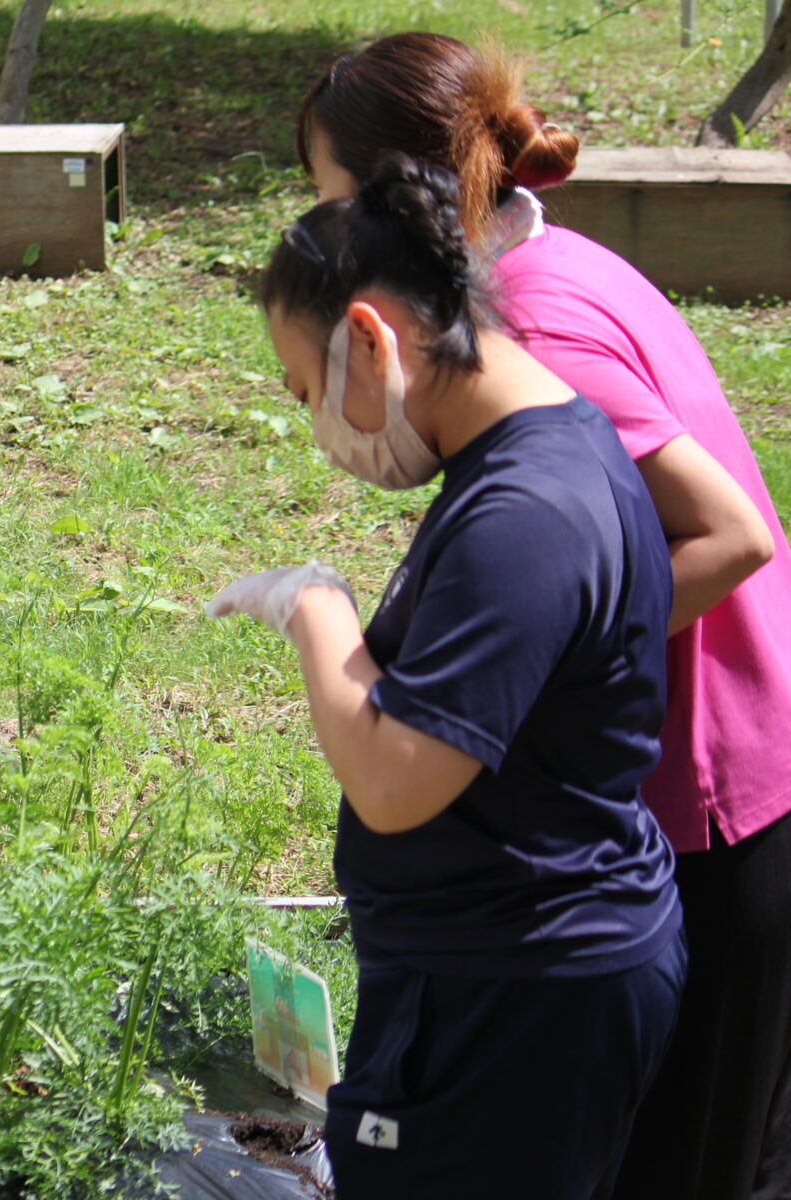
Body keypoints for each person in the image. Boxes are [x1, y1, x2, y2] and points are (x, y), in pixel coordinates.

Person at [295, 34, 791, 1199]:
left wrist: (519, 667)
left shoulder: (539, 327)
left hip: (709, 800)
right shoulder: (536, 260)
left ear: (394, 200)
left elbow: (734, 537)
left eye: (328, 205)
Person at [209, 156, 686, 1198]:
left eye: (307, 391)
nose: (317, 432)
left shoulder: (525, 515)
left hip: (511, 996)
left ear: (371, 339)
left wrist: (316, 610)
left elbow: (395, 785)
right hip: (518, 970)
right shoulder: (536, 455)